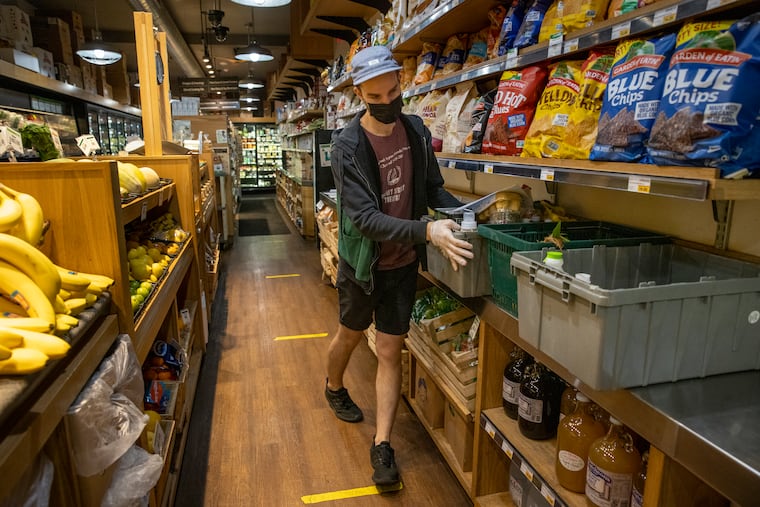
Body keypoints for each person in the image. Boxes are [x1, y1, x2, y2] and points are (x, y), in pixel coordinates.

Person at [324, 45, 474, 486]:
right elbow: (366, 220)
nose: (388, 103)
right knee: (350, 335)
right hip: (363, 263)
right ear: (359, 95)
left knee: (390, 350)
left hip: (402, 264)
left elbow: (431, 190)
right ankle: (333, 386)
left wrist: (467, 214)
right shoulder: (347, 147)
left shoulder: (416, 131)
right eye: (377, 98)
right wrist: (429, 232)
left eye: (394, 92)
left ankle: (382, 444)